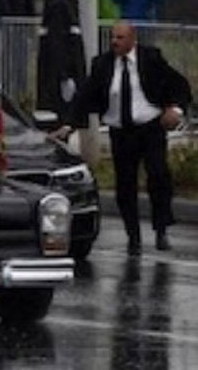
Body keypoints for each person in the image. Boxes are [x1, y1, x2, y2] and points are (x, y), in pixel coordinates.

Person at [55, 22, 191, 255]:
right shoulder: (103, 65)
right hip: (122, 132)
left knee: (158, 175)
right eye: (112, 38)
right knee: (125, 186)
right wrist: (68, 125)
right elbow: (85, 95)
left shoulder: (151, 59)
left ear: (132, 39)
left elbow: (179, 85)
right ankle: (133, 237)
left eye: (120, 38)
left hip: (150, 127)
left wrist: (175, 110)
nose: (115, 42)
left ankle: (161, 230)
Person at [36, 0, 87, 122]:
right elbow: (57, 42)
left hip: (64, 72)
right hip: (62, 73)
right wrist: (65, 75)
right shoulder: (61, 5)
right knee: (63, 115)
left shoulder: (71, 5)